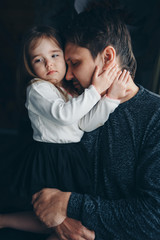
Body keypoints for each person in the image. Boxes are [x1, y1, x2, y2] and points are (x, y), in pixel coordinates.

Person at [31, 4, 160, 240]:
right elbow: (45, 185)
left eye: (76, 63)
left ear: (108, 57)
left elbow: (154, 218)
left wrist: (69, 204)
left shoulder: (155, 116)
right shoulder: (71, 105)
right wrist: (60, 220)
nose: (67, 75)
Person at [0, 25, 130, 239]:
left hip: (72, 156)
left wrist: (110, 99)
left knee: (63, 215)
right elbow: (64, 115)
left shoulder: (66, 90)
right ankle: (5, 221)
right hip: (51, 157)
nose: (49, 63)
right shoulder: (37, 88)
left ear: (64, 57)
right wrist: (96, 90)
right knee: (51, 215)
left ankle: (3, 220)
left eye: (54, 55)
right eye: (38, 59)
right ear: (30, 67)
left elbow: (85, 124)